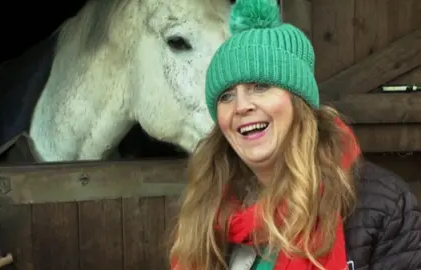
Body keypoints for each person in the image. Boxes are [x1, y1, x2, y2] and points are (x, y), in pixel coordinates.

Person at [168, 0, 421, 269]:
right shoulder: (209, 208)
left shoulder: (383, 206)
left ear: (298, 101)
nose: (241, 106)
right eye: (226, 95)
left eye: (261, 86)